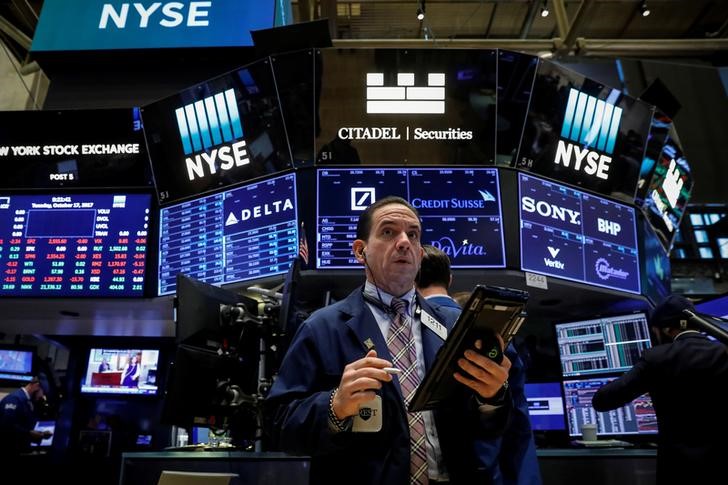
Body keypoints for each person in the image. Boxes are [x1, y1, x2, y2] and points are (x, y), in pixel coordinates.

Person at [266, 196, 513, 485]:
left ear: (420, 254)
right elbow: (278, 423)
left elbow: (487, 428)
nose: (404, 242)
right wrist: (335, 405)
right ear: (361, 251)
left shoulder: (453, 325)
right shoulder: (322, 327)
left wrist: (492, 397)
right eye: (388, 232)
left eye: (413, 234)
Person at [418, 245, 541, 485]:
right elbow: (518, 422)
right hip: (492, 472)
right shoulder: (498, 336)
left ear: (410, 281)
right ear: (450, 279)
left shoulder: (407, 334)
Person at [592, 294, 728, 484]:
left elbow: (602, 400)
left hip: (677, 470)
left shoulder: (656, 358)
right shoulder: (723, 353)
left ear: (665, 329)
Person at [0, 375, 52, 455]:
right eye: (43, 392)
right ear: (36, 386)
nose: (42, 396)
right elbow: (7, 426)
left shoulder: (28, 401)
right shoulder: (14, 399)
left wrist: (39, 433)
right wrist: (29, 433)